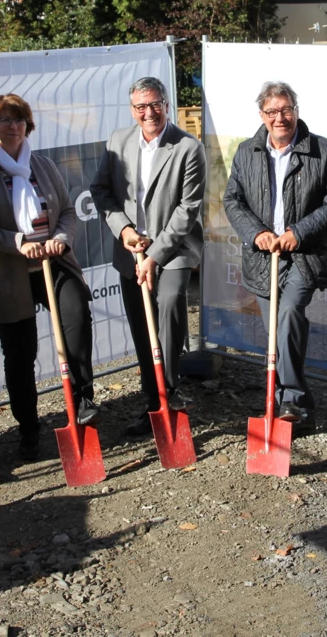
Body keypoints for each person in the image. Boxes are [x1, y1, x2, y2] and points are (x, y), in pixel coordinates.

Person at [0, 94, 98, 462]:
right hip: (9, 274)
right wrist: (16, 242)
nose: (12, 126)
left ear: (27, 124)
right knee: (20, 356)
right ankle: (28, 429)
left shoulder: (42, 164)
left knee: (76, 322)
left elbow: (68, 211)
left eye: (19, 119)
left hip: (54, 264)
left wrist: (60, 238)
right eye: (4, 120)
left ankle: (82, 402)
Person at [223, 81, 327, 436]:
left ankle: (290, 396)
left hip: (305, 256)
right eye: (272, 111)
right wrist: (256, 233)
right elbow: (233, 200)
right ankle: (295, 407)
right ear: (261, 115)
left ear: (297, 109)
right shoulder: (247, 152)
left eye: (287, 109)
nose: (281, 118)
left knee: (290, 312)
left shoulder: (323, 150)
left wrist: (300, 232)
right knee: (273, 333)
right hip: (264, 258)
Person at [90, 77, 205, 437]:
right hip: (130, 251)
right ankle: (151, 402)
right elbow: (101, 190)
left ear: (166, 105)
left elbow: (188, 209)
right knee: (142, 327)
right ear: (132, 110)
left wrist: (154, 255)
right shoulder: (117, 142)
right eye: (141, 107)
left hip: (174, 250)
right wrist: (124, 230)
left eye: (155, 104)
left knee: (169, 304)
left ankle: (169, 393)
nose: (149, 113)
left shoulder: (188, 147)